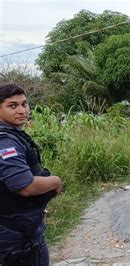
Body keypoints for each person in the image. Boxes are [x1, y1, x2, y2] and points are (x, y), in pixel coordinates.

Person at [0, 83, 62, 265]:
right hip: (14, 232)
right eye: (12, 106)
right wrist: (55, 182)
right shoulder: (5, 142)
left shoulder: (12, 134)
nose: (21, 110)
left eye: (24, 104)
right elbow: (24, 185)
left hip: (23, 224)